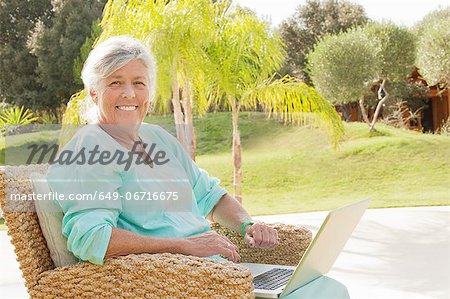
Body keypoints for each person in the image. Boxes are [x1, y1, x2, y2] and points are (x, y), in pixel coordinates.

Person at [47, 35, 279, 266]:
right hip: (167, 277)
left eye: (139, 83)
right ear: (94, 93)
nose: (129, 93)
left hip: (218, 270)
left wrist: (248, 224)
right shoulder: (91, 148)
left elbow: (210, 196)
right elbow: (92, 239)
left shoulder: (156, 137)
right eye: (115, 83)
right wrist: (185, 246)